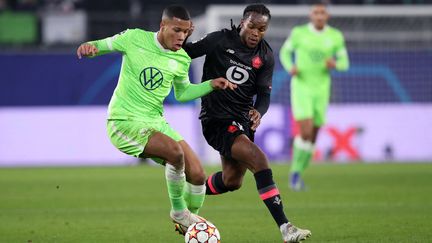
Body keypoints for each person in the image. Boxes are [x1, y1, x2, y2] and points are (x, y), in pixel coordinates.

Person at [76, 5, 236, 232]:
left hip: (155, 121)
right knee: (175, 153)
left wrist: (210, 84)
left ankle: (189, 227)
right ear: (163, 26)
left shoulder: (181, 59)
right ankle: (179, 212)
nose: (181, 37)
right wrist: (90, 47)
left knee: (198, 175)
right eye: (176, 30)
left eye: (185, 32)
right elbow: (103, 45)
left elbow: (182, 94)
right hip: (124, 121)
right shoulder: (133, 38)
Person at [183, 4, 311, 242]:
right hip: (216, 118)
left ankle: (185, 195)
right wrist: (184, 37)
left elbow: (264, 95)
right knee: (259, 159)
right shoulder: (220, 39)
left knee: (232, 181)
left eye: (262, 29)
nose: (256, 33)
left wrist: (259, 112)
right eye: (252, 26)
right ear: (243, 23)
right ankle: (286, 227)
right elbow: (188, 52)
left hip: (242, 121)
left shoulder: (265, 56)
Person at [279, 3, 350, 191]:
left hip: (322, 90)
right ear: (311, 15)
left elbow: (344, 63)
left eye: (323, 13)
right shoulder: (299, 33)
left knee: (313, 136)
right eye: (316, 12)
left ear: (327, 16)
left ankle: (299, 174)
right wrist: (290, 66)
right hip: (302, 87)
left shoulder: (335, 36)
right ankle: (294, 173)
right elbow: (285, 52)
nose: (319, 16)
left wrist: (334, 63)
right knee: (306, 130)